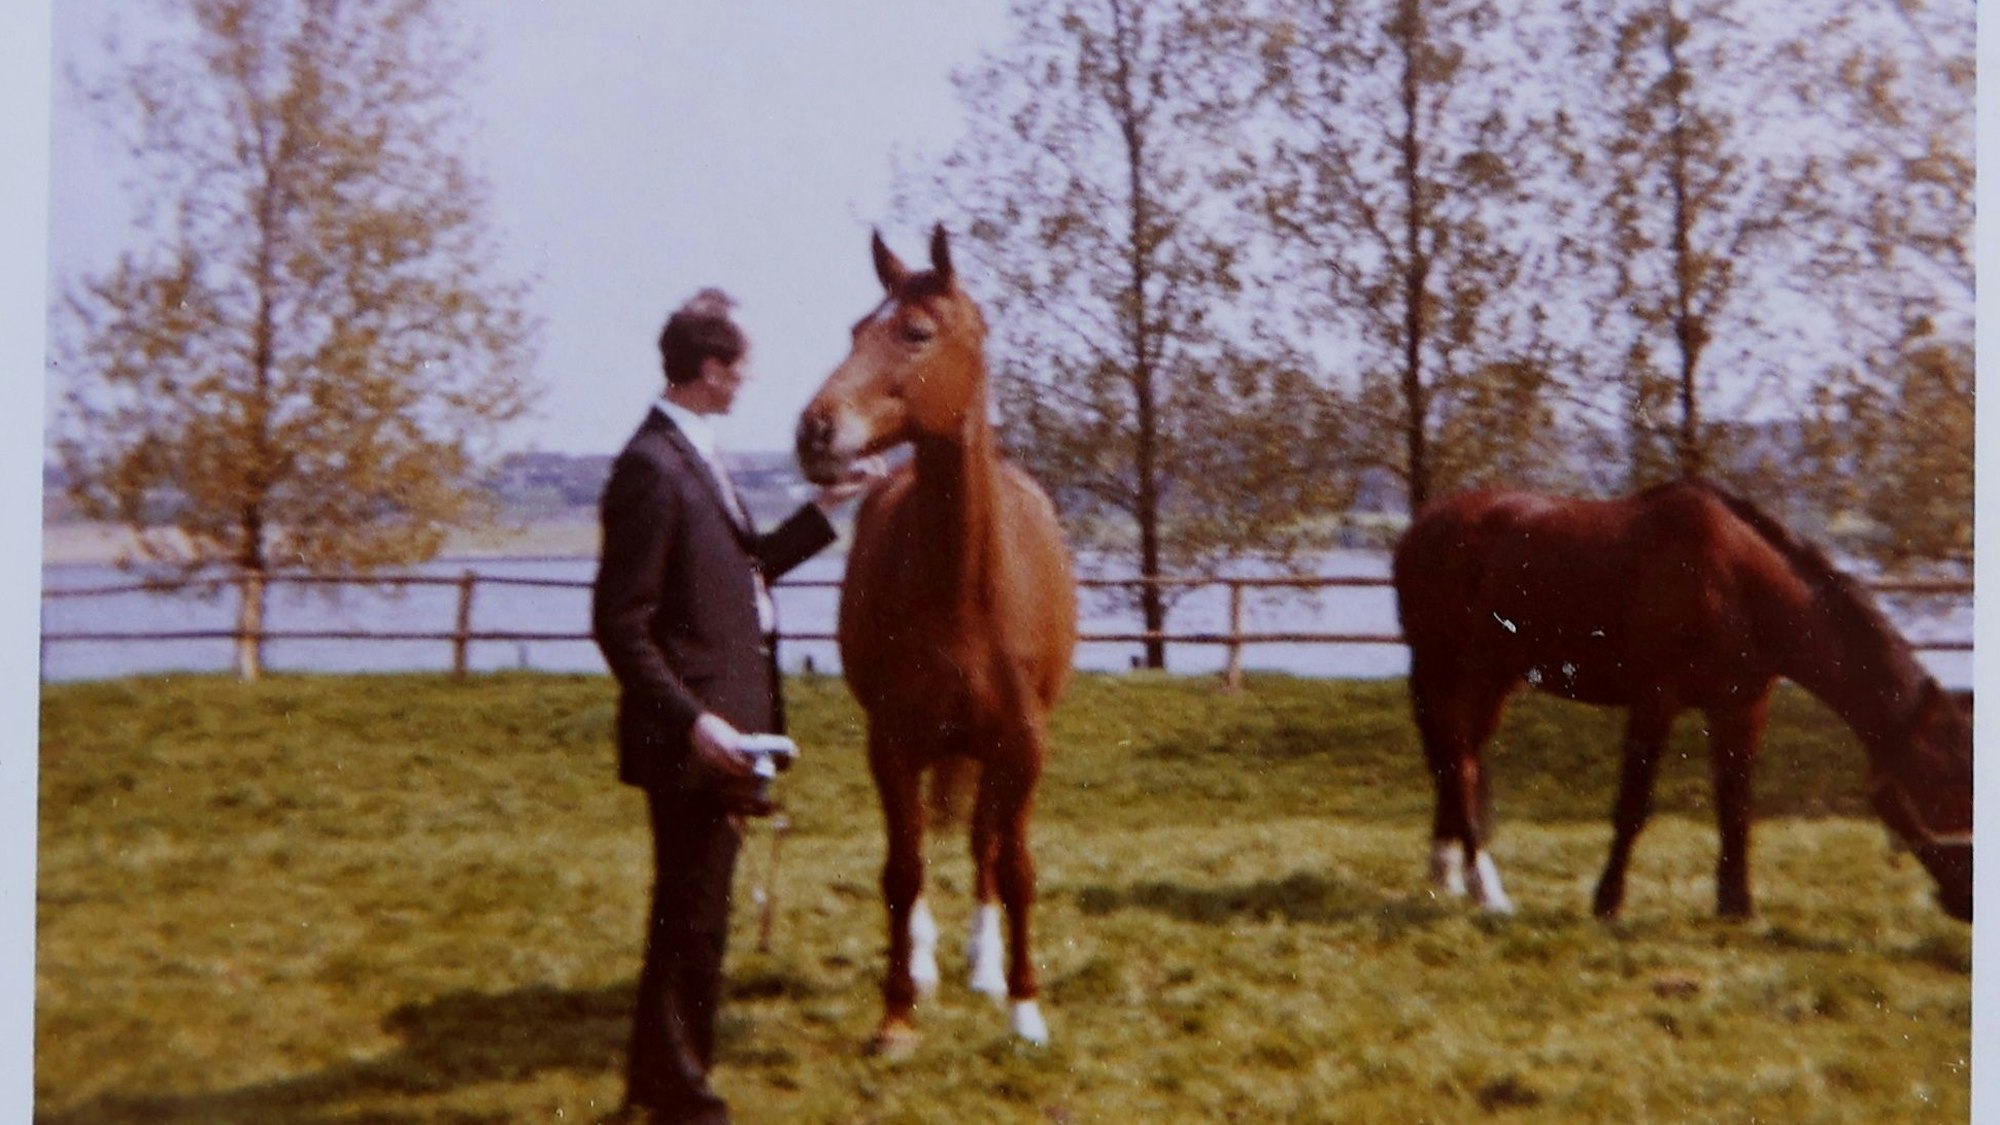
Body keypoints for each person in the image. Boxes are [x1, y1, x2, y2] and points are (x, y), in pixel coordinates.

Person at [592, 289, 876, 1124]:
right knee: (694, 920)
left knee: (689, 914)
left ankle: (658, 1083)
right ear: (711, 368)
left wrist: (829, 509)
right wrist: (695, 720)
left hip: (726, 736)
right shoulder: (650, 467)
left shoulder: (694, 455)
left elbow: (742, 575)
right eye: (741, 365)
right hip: (697, 740)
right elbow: (619, 622)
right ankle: (684, 1100)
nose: (748, 379)